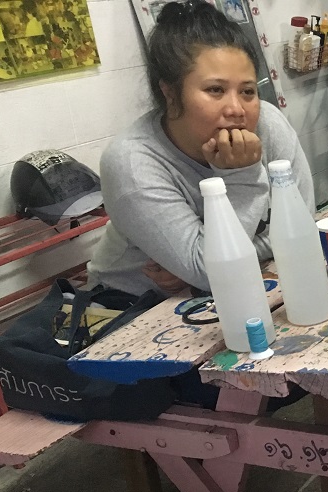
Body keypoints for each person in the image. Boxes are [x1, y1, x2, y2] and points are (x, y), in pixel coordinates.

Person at [87, 0, 313, 298]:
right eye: (215, 90)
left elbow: (303, 228)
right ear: (169, 92)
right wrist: (242, 175)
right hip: (130, 305)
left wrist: (200, 265)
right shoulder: (131, 161)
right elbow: (213, 274)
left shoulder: (268, 123)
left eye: (247, 91)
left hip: (223, 289)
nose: (236, 109)